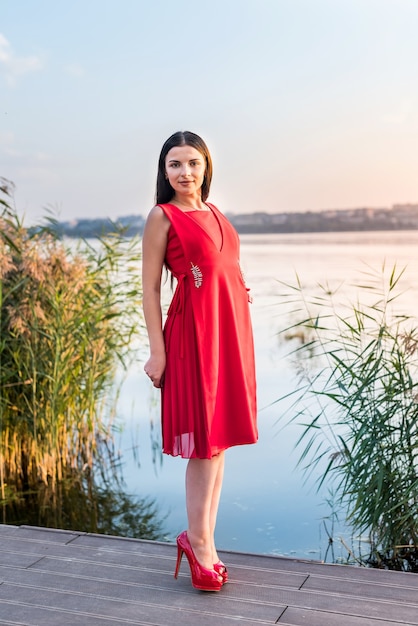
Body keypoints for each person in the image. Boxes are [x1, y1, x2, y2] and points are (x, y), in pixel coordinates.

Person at [142, 131, 258, 591]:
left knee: (221, 439)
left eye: (193, 163)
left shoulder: (214, 211)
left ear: (206, 167)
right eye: (175, 165)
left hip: (230, 334)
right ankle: (199, 545)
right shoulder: (162, 216)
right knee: (204, 442)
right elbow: (150, 288)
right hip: (194, 334)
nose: (185, 173)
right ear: (164, 171)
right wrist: (157, 350)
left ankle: (204, 539)